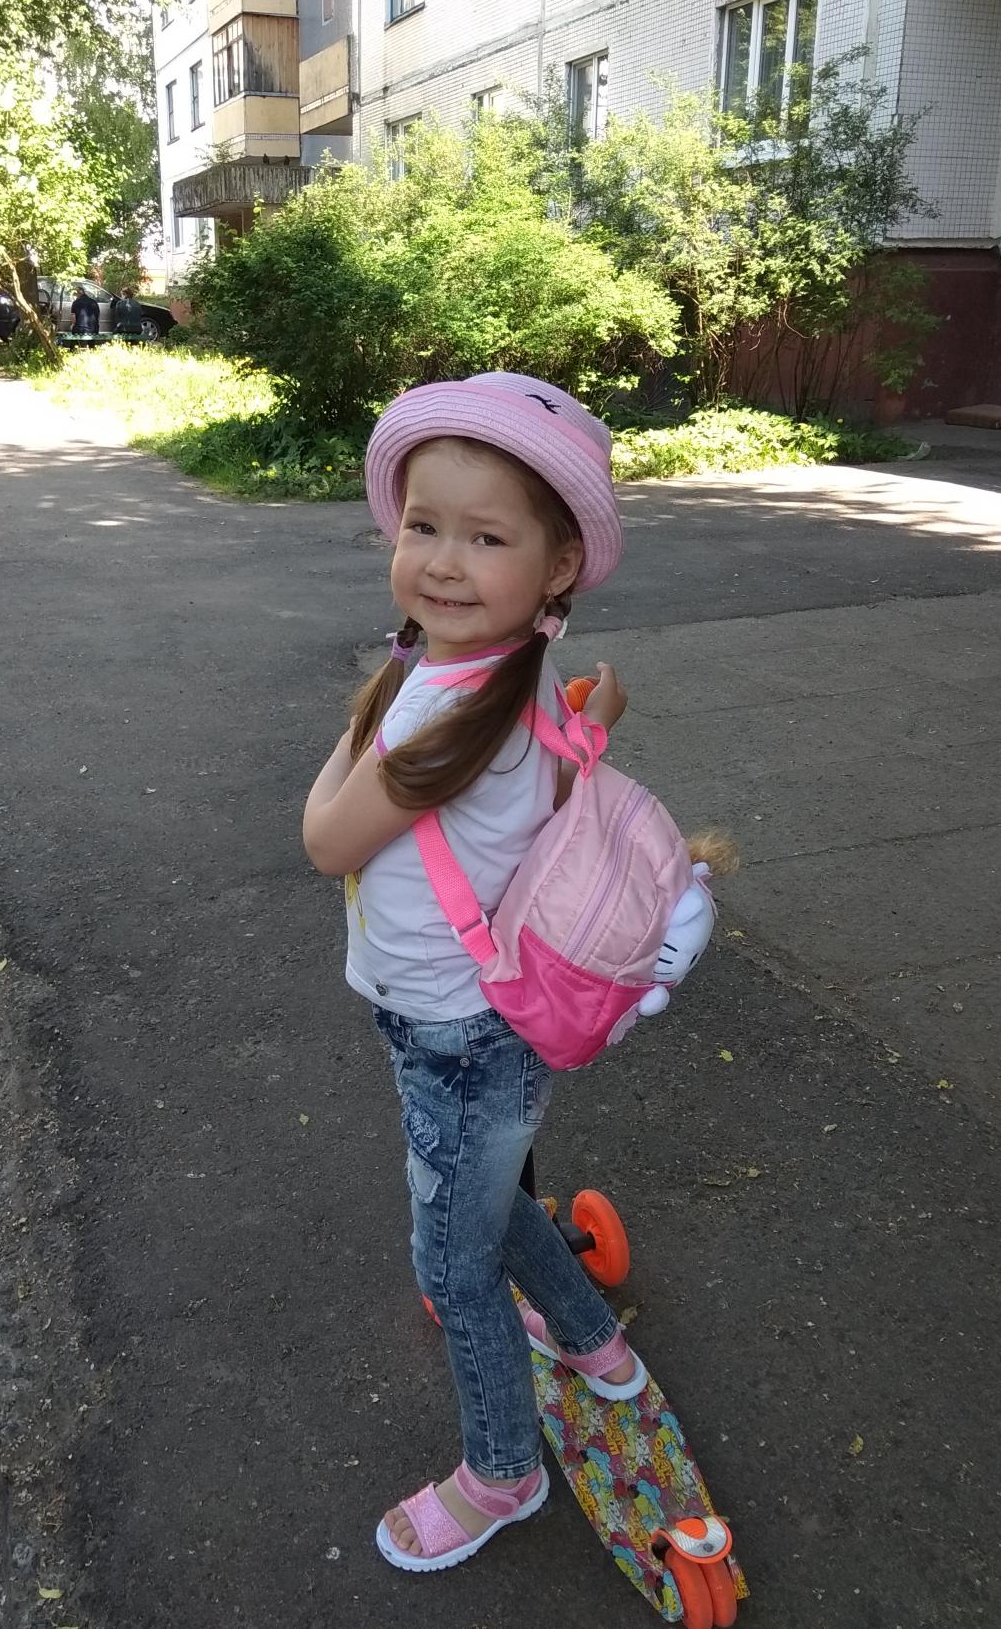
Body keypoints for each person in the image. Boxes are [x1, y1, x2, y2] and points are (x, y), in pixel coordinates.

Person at [303, 372, 645, 1575]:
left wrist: (364, 725)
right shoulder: (515, 669)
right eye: (422, 525)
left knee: (452, 1262)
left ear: (557, 566)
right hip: (486, 1015)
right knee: (489, 1206)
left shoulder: (437, 711)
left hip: (451, 1028)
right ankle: (595, 1342)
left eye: (486, 538)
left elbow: (323, 839)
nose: (443, 562)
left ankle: (502, 1471)